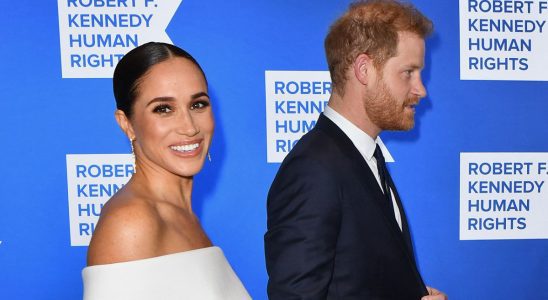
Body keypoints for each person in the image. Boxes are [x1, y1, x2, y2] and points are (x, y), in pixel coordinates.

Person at [265, 1, 447, 299]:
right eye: (408, 72)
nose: (421, 89)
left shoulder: (360, 156)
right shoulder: (314, 168)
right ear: (364, 69)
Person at [82, 42, 250, 300]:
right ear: (126, 123)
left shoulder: (181, 215)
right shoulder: (131, 223)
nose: (189, 126)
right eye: (164, 109)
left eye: (198, 104)